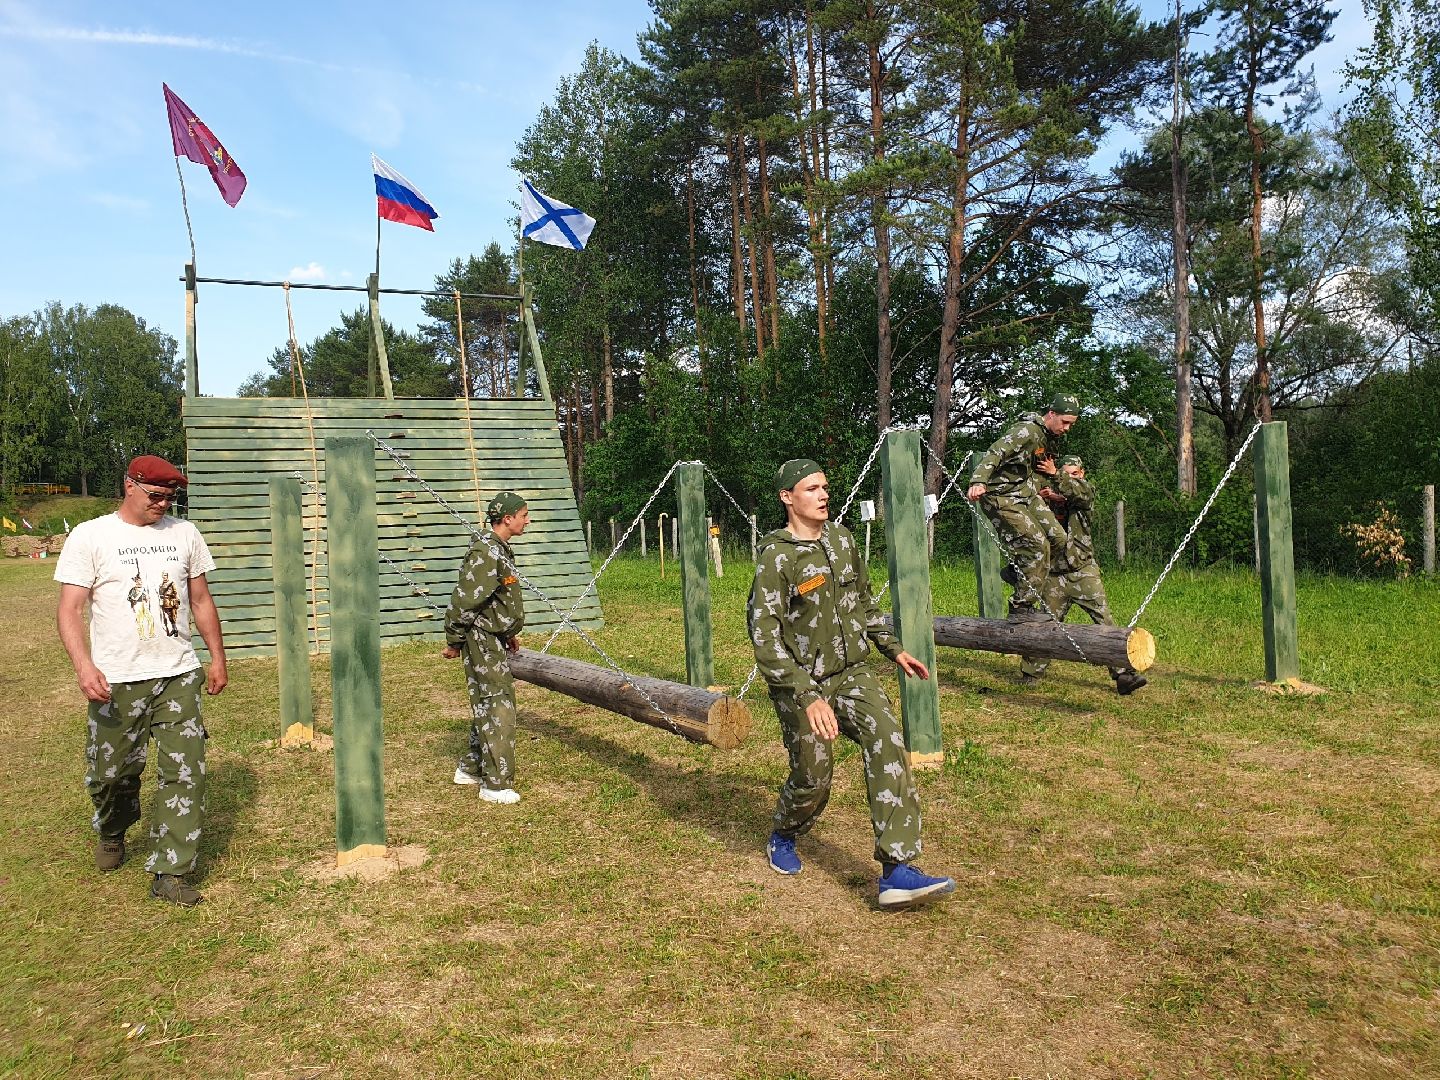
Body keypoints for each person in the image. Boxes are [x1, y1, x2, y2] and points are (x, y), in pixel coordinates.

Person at [750, 458, 956, 907]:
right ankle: (785, 832)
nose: (823, 495)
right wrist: (806, 695)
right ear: (788, 498)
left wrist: (893, 648)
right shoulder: (777, 557)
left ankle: (897, 870)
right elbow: (765, 640)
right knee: (813, 777)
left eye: (825, 487)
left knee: (888, 740)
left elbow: (861, 604)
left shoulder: (842, 541)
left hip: (853, 674)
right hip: (802, 683)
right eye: (811, 489)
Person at [54, 455, 228, 907]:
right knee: (111, 774)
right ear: (129, 486)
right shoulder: (91, 536)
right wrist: (83, 666)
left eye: (171, 497)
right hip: (118, 680)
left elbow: (201, 599)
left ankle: (172, 870)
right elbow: (70, 609)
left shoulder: (184, 533)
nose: (164, 504)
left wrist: (217, 658)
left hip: (177, 674)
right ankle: (113, 828)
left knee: (185, 773)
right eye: (156, 495)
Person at [1020, 456, 1148, 695]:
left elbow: (1080, 492)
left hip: (1083, 571)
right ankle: (1030, 674)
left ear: (1082, 473)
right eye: (1066, 474)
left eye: (1075, 473)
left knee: (1104, 621)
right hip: (1054, 575)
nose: (1071, 478)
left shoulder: (1085, 494)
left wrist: (1058, 475)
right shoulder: (1044, 501)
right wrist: (1044, 494)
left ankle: (1123, 675)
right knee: (1045, 624)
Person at [442, 491, 530, 804]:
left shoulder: (498, 549)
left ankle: (470, 768)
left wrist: (506, 630)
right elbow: (466, 598)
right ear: (507, 518)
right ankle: (495, 784)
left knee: (487, 700)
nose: (526, 521)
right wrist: (454, 639)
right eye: (523, 515)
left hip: (492, 635)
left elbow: (491, 598)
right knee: (498, 703)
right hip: (481, 638)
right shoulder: (487, 551)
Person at [966, 393, 1082, 621]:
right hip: (1002, 496)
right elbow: (996, 451)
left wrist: (1049, 489)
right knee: (1037, 546)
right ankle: (1021, 607)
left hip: (1026, 493)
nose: (1067, 428)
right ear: (1051, 414)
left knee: (1059, 539)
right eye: (1065, 422)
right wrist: (978, 481)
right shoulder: (1027, 431)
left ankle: (1016, 571)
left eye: (1071, 424)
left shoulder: (1050, 436)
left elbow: (1038, 467)